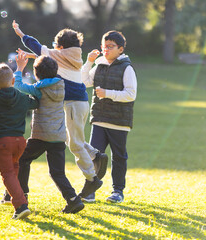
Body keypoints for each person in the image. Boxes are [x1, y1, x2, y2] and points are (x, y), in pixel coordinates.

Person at [11, 20, 108, 202]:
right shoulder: (73, 56)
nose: (53, 48)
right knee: (74, 139)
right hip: (80, 103)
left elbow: (37, 46)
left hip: (72, 104)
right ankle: (95, 155)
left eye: (55, 46)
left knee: (75, 144)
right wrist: (33, 57)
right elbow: (48, 58)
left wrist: (20, 34)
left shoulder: (59, 55)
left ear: (61, 46)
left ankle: (92, 179)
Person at [7, 51, 85, 214]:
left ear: (37, 74)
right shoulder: (61, 85)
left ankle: (22, 196)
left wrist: (19, 68)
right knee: (57, 172)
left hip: (41, 135)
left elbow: (19, 86)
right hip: (58, 136)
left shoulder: (38, 89)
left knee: (22, 160)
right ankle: (73, 199)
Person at [81, 30, 137, 203]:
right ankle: (90, 190)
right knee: (93, 156)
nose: (106, 49)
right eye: (104, 46)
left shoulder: (127, 68)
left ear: (120, 49)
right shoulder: (99, 65)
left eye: (110, 46)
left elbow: (131, 94)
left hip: (119, 122)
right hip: (99, 119)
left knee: (119, 157)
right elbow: (83, 82)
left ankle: (117, 191)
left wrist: (107, 93)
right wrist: (89, 62)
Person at [0, 63, 39, 219]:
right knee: (14, 168)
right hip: (20, 141)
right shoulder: (21, 97)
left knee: (7, 174)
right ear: (13, 81)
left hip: (3, 142)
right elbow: (35, 103)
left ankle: (21, 205)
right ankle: (9, 196)